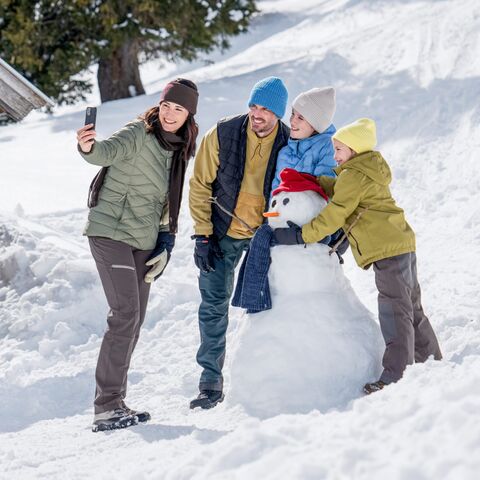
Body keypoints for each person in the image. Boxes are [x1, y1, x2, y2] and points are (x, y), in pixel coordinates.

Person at [273, 118, 442, 393]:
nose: (335, 155)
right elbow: (343, 189)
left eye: (339, 150)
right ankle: (432, 362)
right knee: (411, 307)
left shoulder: (352, 175)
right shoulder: (365, 170)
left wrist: (300, 235)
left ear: (354, 150)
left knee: (394, 312)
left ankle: (395, 377)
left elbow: (336, 212)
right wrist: (317, 181)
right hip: (401, 244)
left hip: (387, 250)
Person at [76, 78, 199, 431]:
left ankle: (117, 402)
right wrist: (87, 146)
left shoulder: (179, 149)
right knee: (124, 314)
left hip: (144, 239)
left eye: (178, 108)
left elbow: (165, 201)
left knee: (136, 319)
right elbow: (102, 153)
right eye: (166, 106)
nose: (170, 114)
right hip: (109, 231)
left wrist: (166, 240)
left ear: (189, 113)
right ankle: (106, 406)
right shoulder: (137, 134)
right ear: (158, 107)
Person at [188, 76, 290, 409]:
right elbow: (200, 184)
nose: (257, 114)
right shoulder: (223, 133)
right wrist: (202, 234)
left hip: (263, 236)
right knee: (213, 305)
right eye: (253, 106)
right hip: (221, 233)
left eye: (265, 109)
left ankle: (270, 377)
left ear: (278, 113)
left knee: (268, 303)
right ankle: (210, 381)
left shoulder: (289, 141)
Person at [271, 86, 337, 192]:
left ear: (316, 125)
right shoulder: (285, 152)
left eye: (300, 118)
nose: (292, 121)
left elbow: (324, 194)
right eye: (293, 114)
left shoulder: (329, 147)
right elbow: (275, 194)